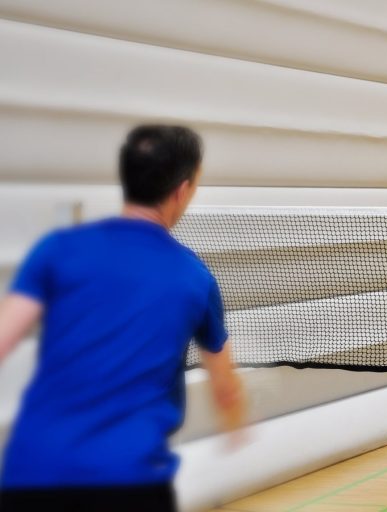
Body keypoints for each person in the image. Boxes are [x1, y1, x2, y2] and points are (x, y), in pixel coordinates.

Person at [0, 125, 245, 511]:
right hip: (127, 480)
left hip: (31, 473)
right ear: (182, 189)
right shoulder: (194, 277)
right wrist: (236, 427)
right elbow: (225, 386)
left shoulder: (58, 248)